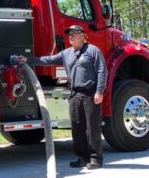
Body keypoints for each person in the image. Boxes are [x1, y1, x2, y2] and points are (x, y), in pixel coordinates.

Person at [19, 24, 107, 170]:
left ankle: (95, 159)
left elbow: (101, 71)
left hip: (90, 94)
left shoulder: (93, 51)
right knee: (77, 127)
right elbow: (48, 60)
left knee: (92, 128)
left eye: (74, 33)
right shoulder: (66, 53)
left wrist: (99, 91)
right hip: (74, 94)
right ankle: (82, 158)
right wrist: (27, 60)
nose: (70, 36)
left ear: (82, 35)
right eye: (69, 34)